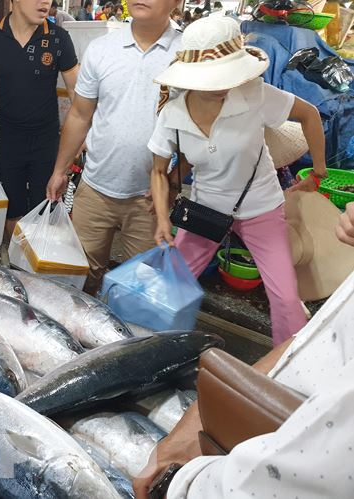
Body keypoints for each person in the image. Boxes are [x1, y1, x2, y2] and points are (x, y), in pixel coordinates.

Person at [133, 200, 354, 499]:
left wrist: (181, 484)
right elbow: (311, 340)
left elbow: (299, 476)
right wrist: (197, 421)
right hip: (251, 438)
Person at [148, 17, 326, 346]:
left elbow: (309, 114)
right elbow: (159, 171)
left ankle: (290, 368)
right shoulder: (172, 113)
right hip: (205, 210)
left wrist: (318, 171)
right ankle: (160, 350)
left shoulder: (254, 94)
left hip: (262, 207)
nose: (223, 85)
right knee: (172, 287)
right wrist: (161, 218)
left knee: (286, 298)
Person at [46, 0, 182, 295]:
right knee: (81, 277)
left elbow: (196, 130)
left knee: (139, 288)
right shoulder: (102, 48)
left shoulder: (186, 55)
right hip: (95, 189)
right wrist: (60, 169)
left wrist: (173, 181)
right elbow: (81, 114)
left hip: (147, 200)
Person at [0, 0, 79, 237]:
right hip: (9, 139)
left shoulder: (58, 38)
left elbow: (77, 93)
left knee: (44, 208)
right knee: (12, 209)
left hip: (46, 142)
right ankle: (15, 266)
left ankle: (37, 266)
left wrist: (82, 137)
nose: (45, 1)